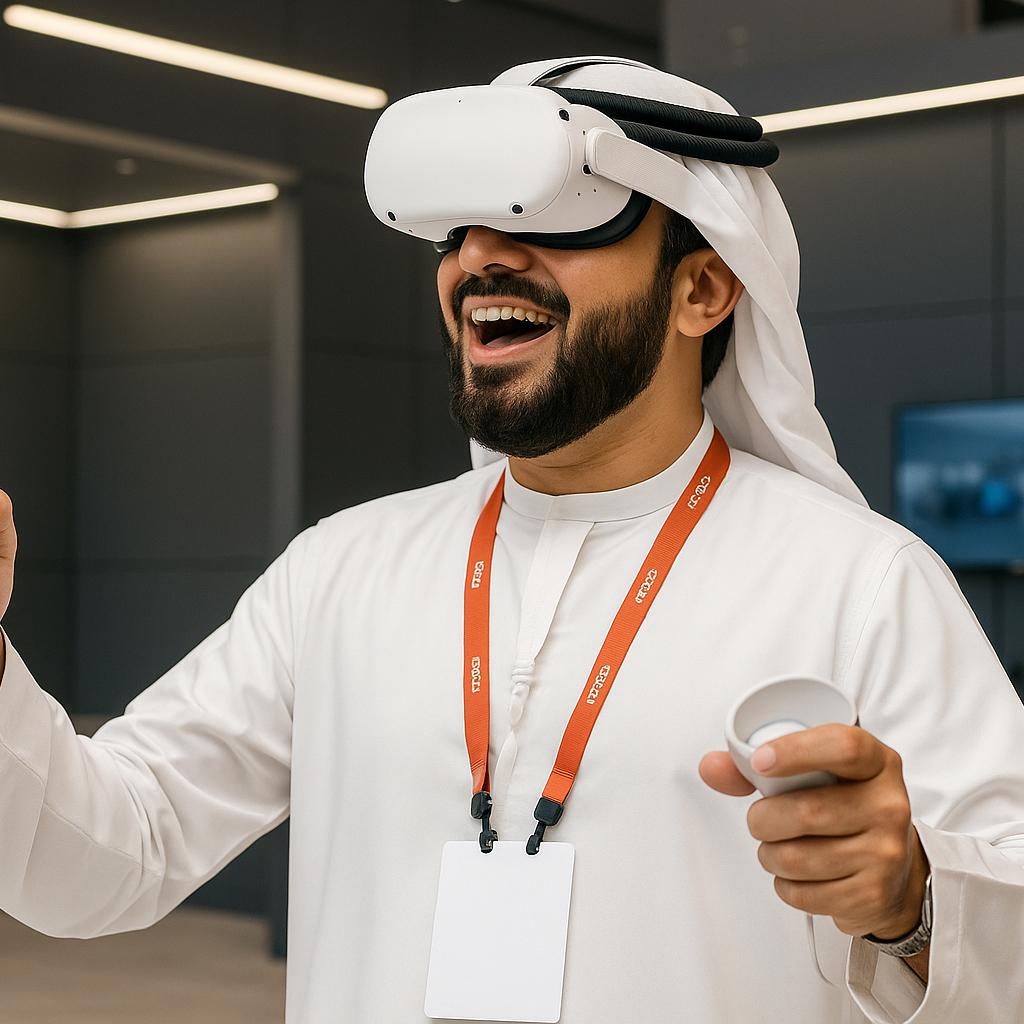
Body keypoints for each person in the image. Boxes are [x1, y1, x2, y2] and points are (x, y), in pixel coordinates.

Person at [1, 54, 1023, 1024]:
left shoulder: (859, 582)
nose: (482, 257)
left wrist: (915, 898)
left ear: (701, 289)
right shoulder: (343, 570)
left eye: (553, 214)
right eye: (462, 229)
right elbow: (99, 859)